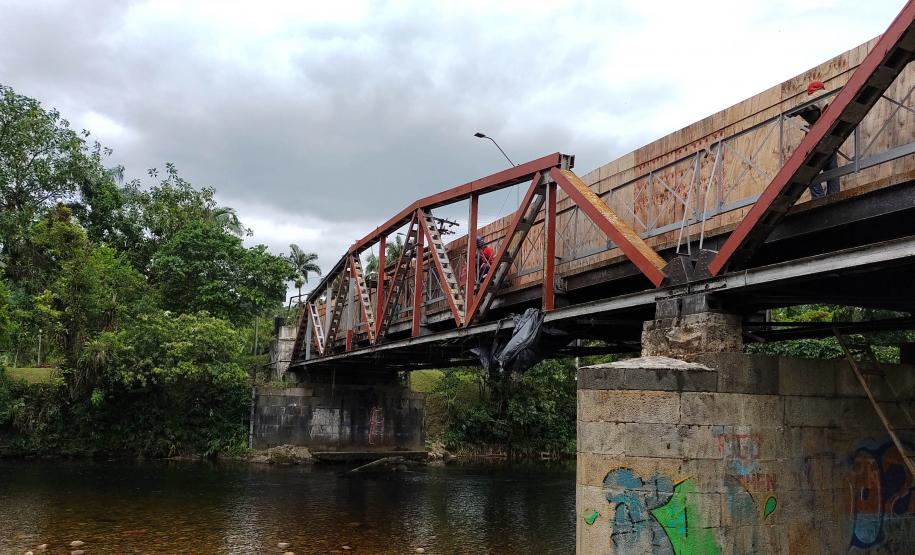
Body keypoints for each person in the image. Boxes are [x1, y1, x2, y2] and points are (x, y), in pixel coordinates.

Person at [793, 80, 840, 199]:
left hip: (819, 138)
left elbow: (801, 105)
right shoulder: (833, 96)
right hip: (831, 136)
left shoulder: (817, 94)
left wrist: (791, 113)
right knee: (831, 167)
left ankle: (818, 197)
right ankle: (833, 195)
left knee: (807, 169)